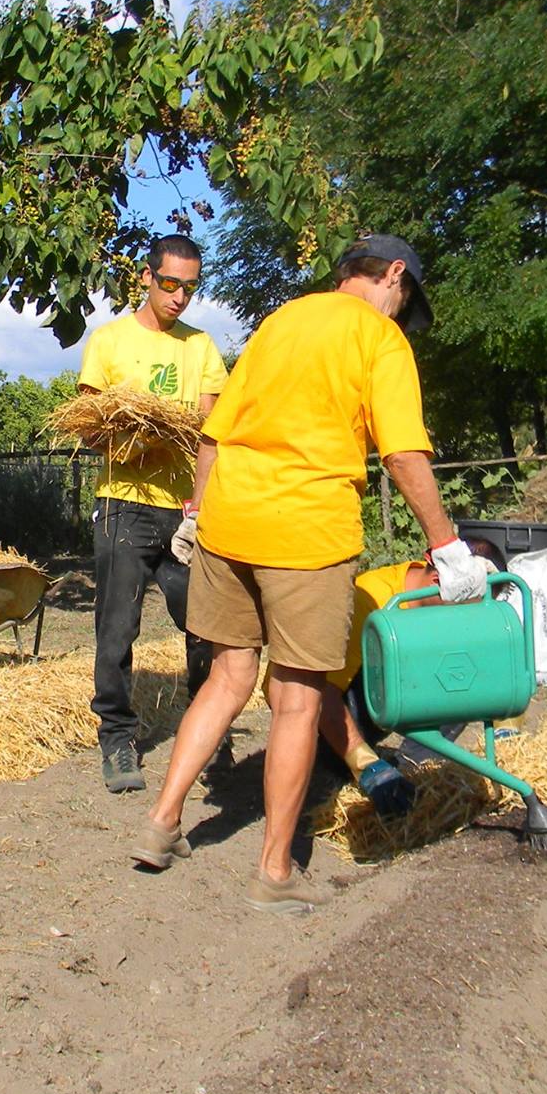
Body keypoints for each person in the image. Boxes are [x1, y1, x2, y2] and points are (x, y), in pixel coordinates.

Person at [131, 233, 489, 911]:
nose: (398, 312)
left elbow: (215, 433)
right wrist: (447, 546)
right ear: (392, 276)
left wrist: (196, 513)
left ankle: (162, 823)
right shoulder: (381, 341)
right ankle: (275, 872)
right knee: (296, 698)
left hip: (229, 524)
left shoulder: (282, 320)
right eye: (403, 298)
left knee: (228, 676)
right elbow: (404, 454)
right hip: (305, 534)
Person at [76, 234, 229, 792]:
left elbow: (212, 431)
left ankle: (209, 737)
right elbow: (89, 429)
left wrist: (200, 506)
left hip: (186, 514)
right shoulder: (110, 341)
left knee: (207, 628)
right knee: (117, 631)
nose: (179, 297)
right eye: (170, 284)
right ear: (147, 277)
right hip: (124, 505)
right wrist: (136, 441)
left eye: (190, 287)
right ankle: (117, 739)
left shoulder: (202, 347)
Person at [316, 536, 508, 815]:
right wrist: (365, 763)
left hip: (382, 698)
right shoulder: (369, 602)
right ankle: (346, 768)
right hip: (325, 711)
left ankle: (412, 767)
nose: (466, 621)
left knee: (461, 674)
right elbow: (319, 692)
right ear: (437, 584)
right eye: (465, 610)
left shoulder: (437, 603)